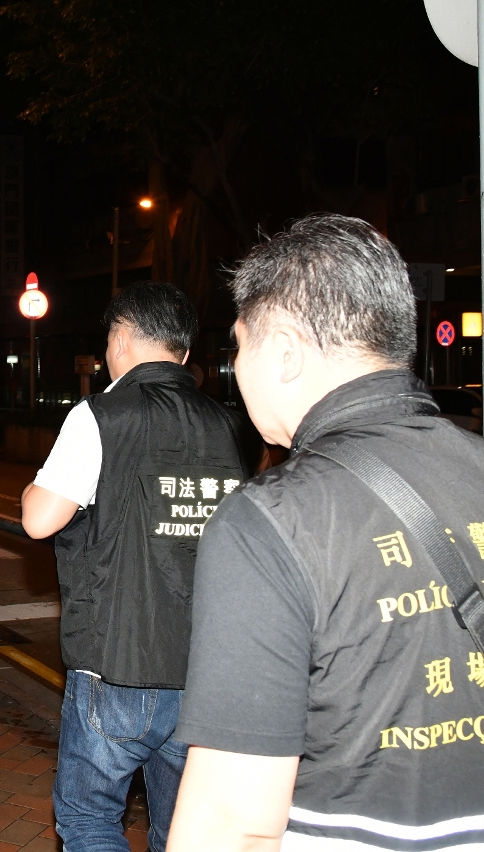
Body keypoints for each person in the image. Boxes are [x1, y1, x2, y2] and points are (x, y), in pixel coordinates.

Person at [168, 215, 484, 851]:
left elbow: (234, 822)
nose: (235, 368)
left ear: (285, 352)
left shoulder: (269, 521)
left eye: (239, 346)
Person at [19, 282, 250, 852]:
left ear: (119, 340)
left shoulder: (101, 414)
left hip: (118, 659)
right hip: (204, 667)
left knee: (88, 819)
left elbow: (39, 520)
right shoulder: (227, 425)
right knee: (182, 831)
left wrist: (32, 489)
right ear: (185, 353)